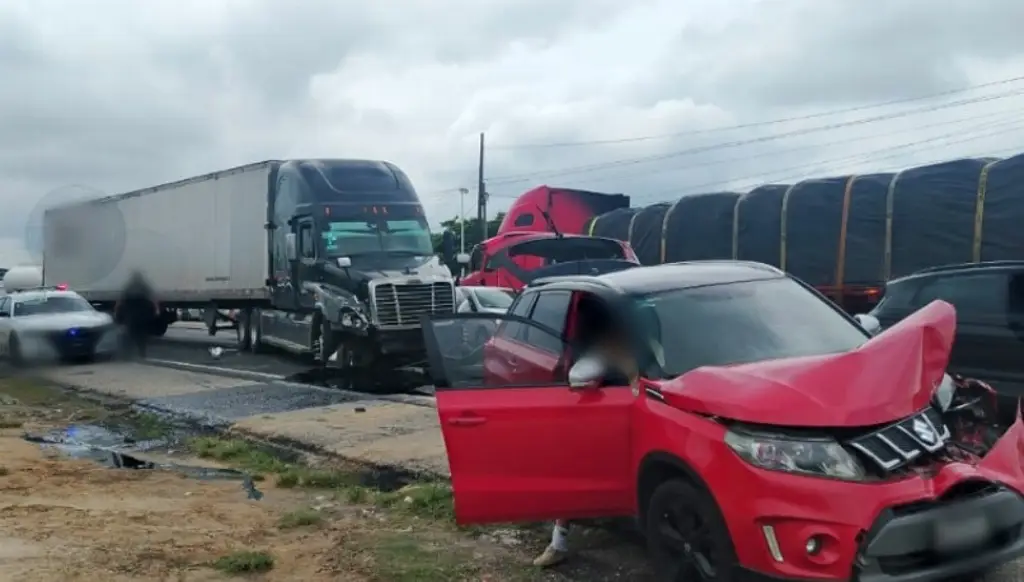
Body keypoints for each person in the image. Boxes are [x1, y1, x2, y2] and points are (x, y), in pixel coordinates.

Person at [533, 319, 639, 568]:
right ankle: (558, 543)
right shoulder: (595, 347)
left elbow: (636, 382)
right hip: (593, 418)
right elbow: (579, 377)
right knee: (571, 473)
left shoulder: (635, 346)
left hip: (624, 419)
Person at [115, 271, 159, 359]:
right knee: (142, 335)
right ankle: (141, 352)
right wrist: (156, 309)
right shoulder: (144, 286)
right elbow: (152, 297)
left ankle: (129, 353)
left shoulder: (129, 286)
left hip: (132, 314)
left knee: (131, 333)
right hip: (142, 314)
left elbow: (121, 299)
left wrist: (117, 310)